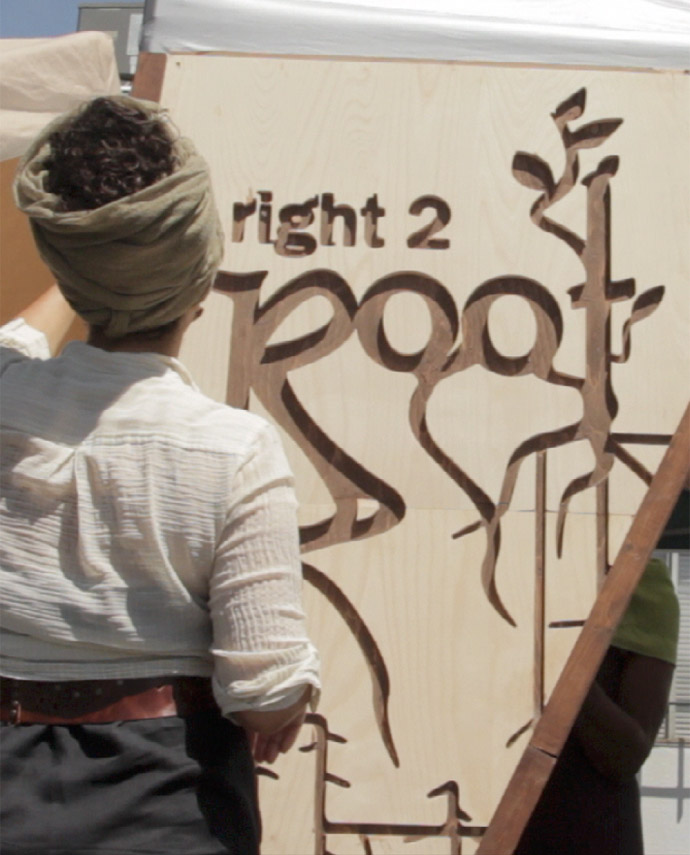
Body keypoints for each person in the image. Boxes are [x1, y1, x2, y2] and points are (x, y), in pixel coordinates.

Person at [0, 95, 320, 855]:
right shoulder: (233, 449)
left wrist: (93, 275)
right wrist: (286, 699)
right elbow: (264, 691)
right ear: (200, 274)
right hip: (168, 812)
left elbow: (20, 334)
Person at [515, 545, 681, 855]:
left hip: (586, 828)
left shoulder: (641, 586)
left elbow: (626, 755)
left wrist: (560, 661)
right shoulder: (496, 570)